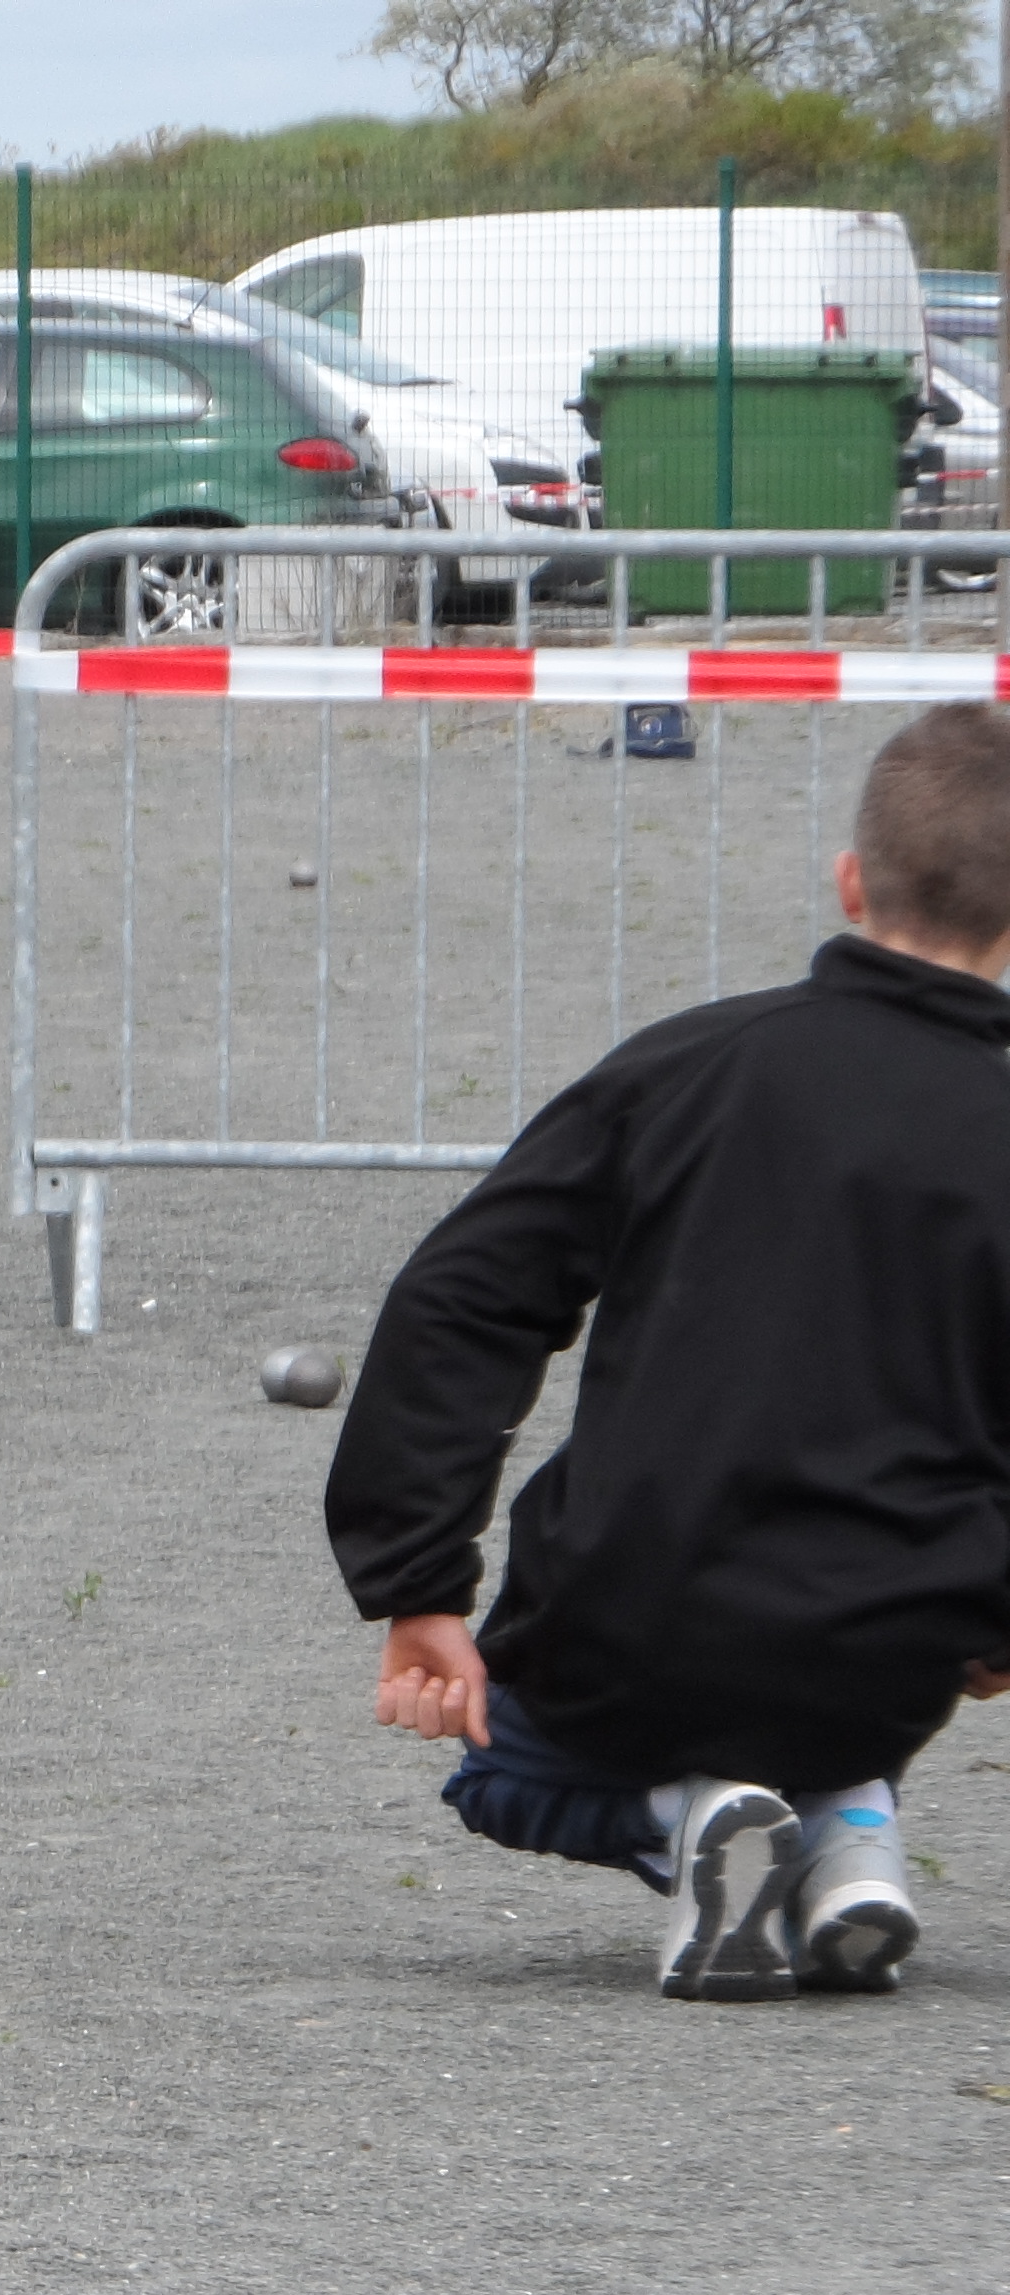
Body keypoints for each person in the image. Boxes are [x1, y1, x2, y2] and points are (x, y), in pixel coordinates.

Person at [333, 704, 1010, 2002]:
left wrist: (418, 1582)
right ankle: (848, 1833)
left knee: (499, 1772)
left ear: (851, 880)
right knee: (839, 1662)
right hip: (896, 1648)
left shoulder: (687, 1068)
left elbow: (464, 1292)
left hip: (632, 1616)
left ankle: (687, 1819)